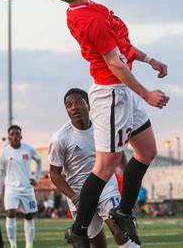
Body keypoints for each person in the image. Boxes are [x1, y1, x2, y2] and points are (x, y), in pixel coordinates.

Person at [42, 0, 169, 247]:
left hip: (122, 91)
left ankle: (123, 211)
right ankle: (78, 230)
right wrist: (147, 94)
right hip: (111, 94)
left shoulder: (88, 9)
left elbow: (121, 47)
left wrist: (150, 59)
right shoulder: (90, 17)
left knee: (147, 151)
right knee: (105, 166)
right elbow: (115, 63)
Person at [49, 88, 140, 248]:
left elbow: (117, 152)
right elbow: (55, 174)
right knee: (97, 243)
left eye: (78, 102)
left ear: (89, 105)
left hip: (106, 187)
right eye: (69, 105)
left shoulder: (103, 127)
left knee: (121, 230)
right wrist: (74, 197)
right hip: (80, 194)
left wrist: (128, 183)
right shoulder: (60, 137)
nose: (74, 107)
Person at [0, 125, 42, 248]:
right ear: (9, 137)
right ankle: (13, 244)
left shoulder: (29, 149)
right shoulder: (3, 153)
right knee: (11, 213)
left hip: (27, 189)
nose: (15, 136)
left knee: (29, 215)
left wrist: (36, 178)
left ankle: (29, 245)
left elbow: (39, 161)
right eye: (12, 134)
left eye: (17, 134)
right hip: (11, 190)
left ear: (21, 136)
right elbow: (0, 174)